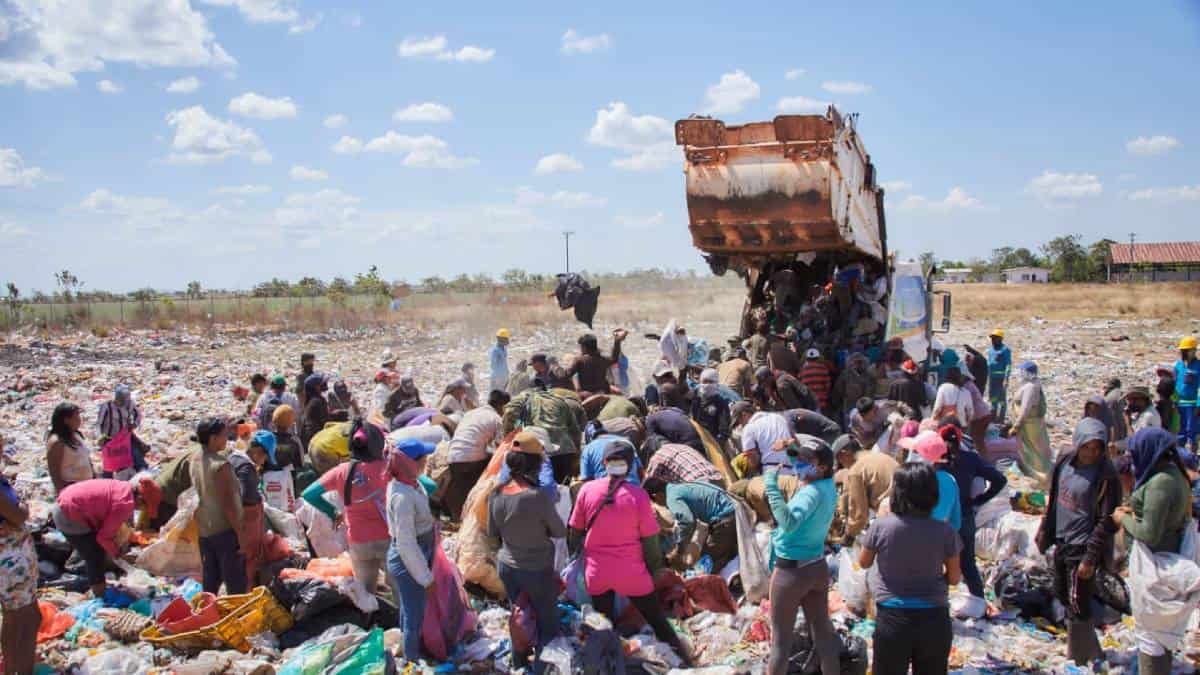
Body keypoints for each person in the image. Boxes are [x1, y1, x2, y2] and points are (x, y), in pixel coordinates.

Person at [568, 442, 693, 665]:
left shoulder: (586, 490)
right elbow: (650, 540)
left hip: (597, 573)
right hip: (632, 574)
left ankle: (603, 665)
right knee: (657, 620)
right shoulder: (638, 496)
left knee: (603, 623)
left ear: (604, 463)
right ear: (630, 466)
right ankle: (686, 663)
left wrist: (576, 558)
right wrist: (655, 570)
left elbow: (575, 531)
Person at [858, 463, 962, 675]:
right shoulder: (945, 531)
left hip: (893, 618)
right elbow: (954, 578)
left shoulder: (882, 526)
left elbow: (864, 562)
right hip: (935, 620)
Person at [1035, 418, 1120, 665]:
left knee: (1077, 602)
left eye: (1097, 448)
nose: (1091, 453)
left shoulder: (1106, 475)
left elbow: (1106, 520)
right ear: (1077, 443)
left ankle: (1079, 658)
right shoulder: (1064, 462)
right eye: (1086, 447)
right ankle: (1092, 651)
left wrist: (1090, 557)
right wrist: (1045, 531)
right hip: (1062, 539)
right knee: (1062, 593)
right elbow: (1054, 499)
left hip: (1083, 545)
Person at [1114, 428, 1195, 675]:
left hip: (1157, 565)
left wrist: (1122, 519)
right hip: (1167, 559)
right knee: (1159, 635)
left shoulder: (1161, 483)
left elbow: (1150, 533)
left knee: (1152, 638)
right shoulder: (1172, 473)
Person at [488, 431, 565, 671]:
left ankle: (519, 662)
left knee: (519, 615)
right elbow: (559, 531)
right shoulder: (537, 497)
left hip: (507, 566)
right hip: (536, 568)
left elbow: (492, 534)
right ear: (535, 464)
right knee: (547, 621)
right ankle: (543, 667)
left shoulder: (496, 493)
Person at [764, 435, 839, 675]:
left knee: (780, 643)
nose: (799, 467)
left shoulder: (810, 493)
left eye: (808, 462)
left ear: (822, 467)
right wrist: (790, 449)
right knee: (823, 636)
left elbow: (787, 522)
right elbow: (802, 461)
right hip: (817, 567)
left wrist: (771, 485)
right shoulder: (828, 485)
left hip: (791, 573)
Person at [940, 422, 1006, 618]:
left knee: (936, 563)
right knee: (967, 562)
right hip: (964, 517)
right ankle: (979, 602)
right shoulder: (970, 459)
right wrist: (978, 500)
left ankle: (937, 605)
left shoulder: (936, 461)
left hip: (941, 520)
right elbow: (999, 479)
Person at [385, 437, 439, 662]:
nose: (426, 463)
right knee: (414, 613)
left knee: (410, 610)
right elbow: (406, 543)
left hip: (417, 550)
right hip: (409, 558)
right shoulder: (402, 497)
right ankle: (411, 660)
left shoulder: (410, 483)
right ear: (409, 463)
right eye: (422, 460)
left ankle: (409, 651)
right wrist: (426, 578)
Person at [53, 478, 140, 597]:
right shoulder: (125, 503)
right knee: (94, 555)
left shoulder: (124, 489)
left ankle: (88, 576)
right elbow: (103, 537)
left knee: (92, 549)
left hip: (67, 502)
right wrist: (118, 554)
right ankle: (99, 595)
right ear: (141, 499)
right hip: (69, 513)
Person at [190, 418, 248, 595]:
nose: (227, 439)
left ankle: (210, 616)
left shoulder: (195, 459)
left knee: (211, 582)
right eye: (224, 435)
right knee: (235, 583)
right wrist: (241, 534)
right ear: (213, 438)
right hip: (225, 532)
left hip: (205, 531)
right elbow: (228, 504)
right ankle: (236, 618)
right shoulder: (220, 465)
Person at [644, 477, 737, 573]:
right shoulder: (679, 488)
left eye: (655, 502)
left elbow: (687, 521)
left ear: (657, 496)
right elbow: (687, 521)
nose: (659, 505)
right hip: (732, 512)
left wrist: (679, 550)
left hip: (725, 519)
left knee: (706, 565)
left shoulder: (672, 497)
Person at [443, 390, 509, 521]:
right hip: (470, 459)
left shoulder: (471, 413)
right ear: (502, 406)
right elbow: (500, 447)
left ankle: (459, 517)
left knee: (462, 487)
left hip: (452, 456)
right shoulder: (496, 419)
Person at [0, 468, 41, 675]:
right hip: (9, 559)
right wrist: (23, 508)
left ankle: (10, 670)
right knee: (27, 618)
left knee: (14, 616)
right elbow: (17, 515)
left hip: (12, 556)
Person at [503, 387, 587, 484]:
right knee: (562, 488)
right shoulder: (559, 400)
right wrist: (576, 453)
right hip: (565, 451)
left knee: (537, 487)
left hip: (540, 452)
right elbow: (575, 430)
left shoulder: (526, 396)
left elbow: (509, 412)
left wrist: (507, 437)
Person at [834, 434, 898, 543]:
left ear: (844, 454)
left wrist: (849, 536)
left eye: (840, 461)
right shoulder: (883, 456)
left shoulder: (856, 470)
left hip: (891, 518)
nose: (843, 466)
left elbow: (859, 514)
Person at [899, 431, 961, 531]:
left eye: (915, 451)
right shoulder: (950, 480)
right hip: (938, 540)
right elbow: (956, 523)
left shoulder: (905, 478)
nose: (911, 454)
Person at [1011, 361, 1052, 488]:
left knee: (1033, 452)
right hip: (1032, 425)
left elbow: (1025, 408)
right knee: (1036, 450)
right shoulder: (1033, 383)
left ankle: (1040, 479)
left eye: (1023, 371)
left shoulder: (1030, 387)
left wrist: (1016, 425)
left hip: (1029, 426)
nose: (1021, 373)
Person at [97, 384, 148, 474]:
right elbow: (99, 423)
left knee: (135, 456)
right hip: (110, 438)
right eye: (122, 400)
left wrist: (134, 424)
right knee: (111, 462)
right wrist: (100, 436)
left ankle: (143, 474)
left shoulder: (129, 403)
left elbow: (138, 414)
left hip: (125, 437)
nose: (124, 403)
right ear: (117, 398)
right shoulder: (107, 406)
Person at [46, 402, 96, 494]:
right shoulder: (57, 442)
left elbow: (87, 459)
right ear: (66, 420)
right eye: (76, 416)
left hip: (87, 487)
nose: (79, 419)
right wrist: (63, 494)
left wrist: (94, 477)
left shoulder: (76, 435)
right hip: (71, 491)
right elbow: (55, 474)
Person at [567, 330, 627, 398]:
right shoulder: (602, 359)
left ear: (584, 347)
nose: (580, 349)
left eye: (581, 347)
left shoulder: (579, 360)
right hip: (603, 393)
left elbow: (568, 374)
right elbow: (614, 359)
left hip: (586, 395)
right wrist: (617, 341)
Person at [738, 411, 794, 477]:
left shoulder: (748, 429)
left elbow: (753, 459)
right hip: (795, 464)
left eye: (739, 421)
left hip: (775, 472)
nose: (740, 425)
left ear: (745, 414)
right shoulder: (778, 417)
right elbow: (793, 439)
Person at [643, 443, 723, 486]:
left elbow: (648, 481)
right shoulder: (681, 446)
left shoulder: (658, 456)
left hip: (697, 483)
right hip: (717, 475)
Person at [1112, 386, 1163, 454]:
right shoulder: (1141, 414)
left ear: (1144, 400)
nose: (1130, 403)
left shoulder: (1148, 416)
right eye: (1128, 400)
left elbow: (1135, 443)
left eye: (1133, 399)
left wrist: (1128, 423)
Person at [690, 369, 731, 446]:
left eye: (710, 382)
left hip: (712, 441)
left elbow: (724, 429)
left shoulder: (721, 403)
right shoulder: (696, 399)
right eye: (704, 382)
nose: (707, 385)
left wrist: (717, 444)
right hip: (696, 438)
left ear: (716, 383)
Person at [832, 352, 875, 426]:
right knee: (849, 424)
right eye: (856, 362)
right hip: (849, 404)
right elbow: (839, 389)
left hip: (864, 405)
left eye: (860, 362)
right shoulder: (845, 374)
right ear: (852, 363)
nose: (858, 364)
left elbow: (871, 389)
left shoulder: (868, 375)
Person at [1174, 336, 1200, 450]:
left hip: (1192, 405)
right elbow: (1174, 384)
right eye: (1182, 350)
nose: (1194, 352)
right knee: (1180, 430)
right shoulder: (1178, 366)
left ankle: (1192, 455)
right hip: (1179, 404)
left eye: (1194, 350)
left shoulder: (1198, 366)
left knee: (1192, 431)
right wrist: (1173, 401)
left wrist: (1198, 405)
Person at [985, 329, 1012, 421]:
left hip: (1001, 378)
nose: (993, 340)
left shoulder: (1005, 350)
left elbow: (1008, 364)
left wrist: (1006, 378)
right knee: (993, 399)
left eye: (995, 338)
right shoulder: (990, 350)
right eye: (992, 338)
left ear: (1000, 339)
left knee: (1002, 400)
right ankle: (993, 417)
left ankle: (1001, 418)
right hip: (992, 379)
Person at [800, 348, 834, 413]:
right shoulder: (823, 368)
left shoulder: (803, 370)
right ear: (818, 358)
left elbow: (800, 386)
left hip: (808, 400)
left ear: (807, 358)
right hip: (821, 400)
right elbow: (828, 386)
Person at [490, 329, 512, 394]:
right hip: (497, 377)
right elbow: (493, 365)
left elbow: (504, 363)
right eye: (506, 339)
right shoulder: (495, 351)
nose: (508, 340)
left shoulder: (504, 349)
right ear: (501, 339)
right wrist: (497, 378)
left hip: (504, 376)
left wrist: (507, 373)